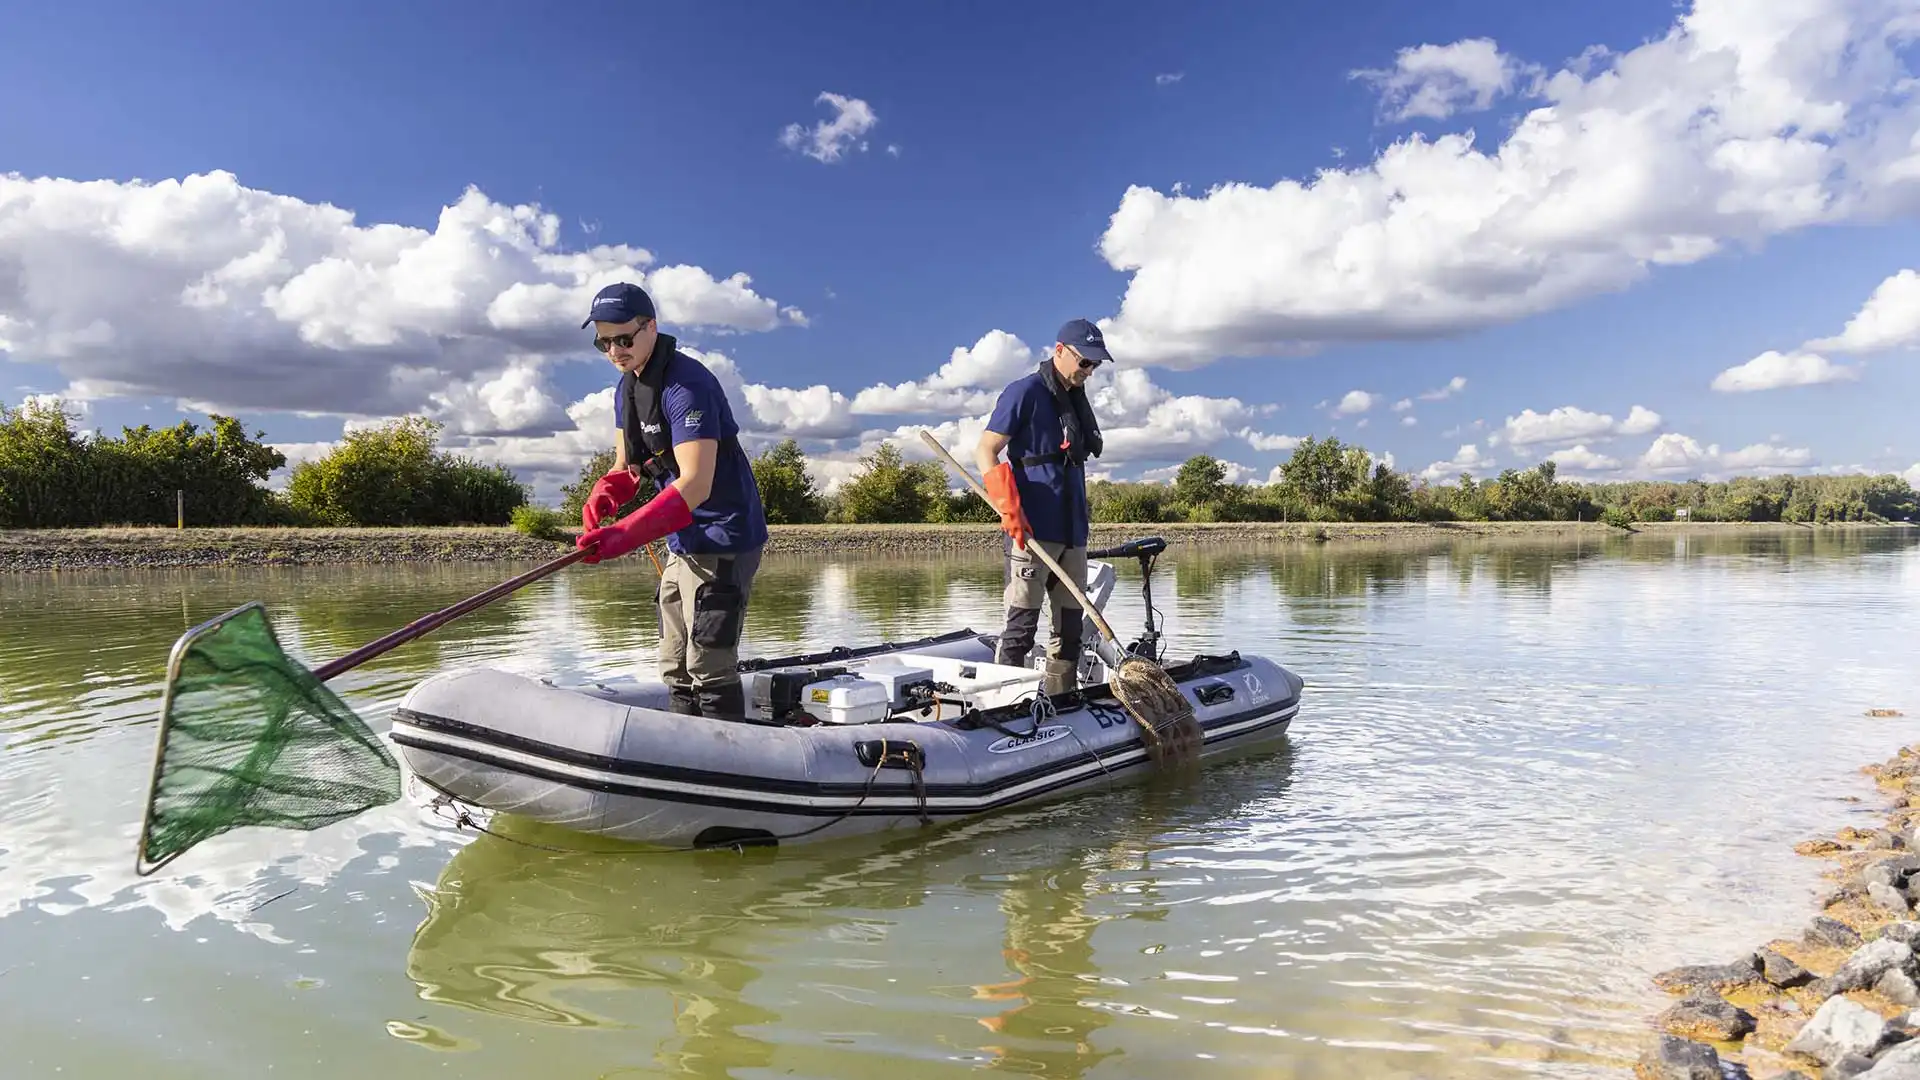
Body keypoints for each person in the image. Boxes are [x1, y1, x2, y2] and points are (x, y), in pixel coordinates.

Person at [575, 282, 769, 718]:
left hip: (724, 535)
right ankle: (683, 744)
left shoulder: (688, 385)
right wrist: (607, 492)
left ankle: (726, 761)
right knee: (674, 661)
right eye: (603, 342)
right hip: (680, 536)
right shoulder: (627, 389)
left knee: (708, 662)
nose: (615, 351)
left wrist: (623, 534)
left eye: (624, 338)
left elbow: (696, 483)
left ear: (651, 327)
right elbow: (630, 465)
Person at [973, 318, 1108, 695]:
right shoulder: (1024, 392)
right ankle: (1003, 706)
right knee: (1021, 627)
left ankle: (1060, 703)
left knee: (1069, 630)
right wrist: (1006, 505)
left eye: (1095, 365)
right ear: (1060, 351)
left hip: (1072, 531)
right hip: (1029, 530)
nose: (1089, 371)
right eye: (1085, 362)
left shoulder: (1075, 401)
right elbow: (985, 450)